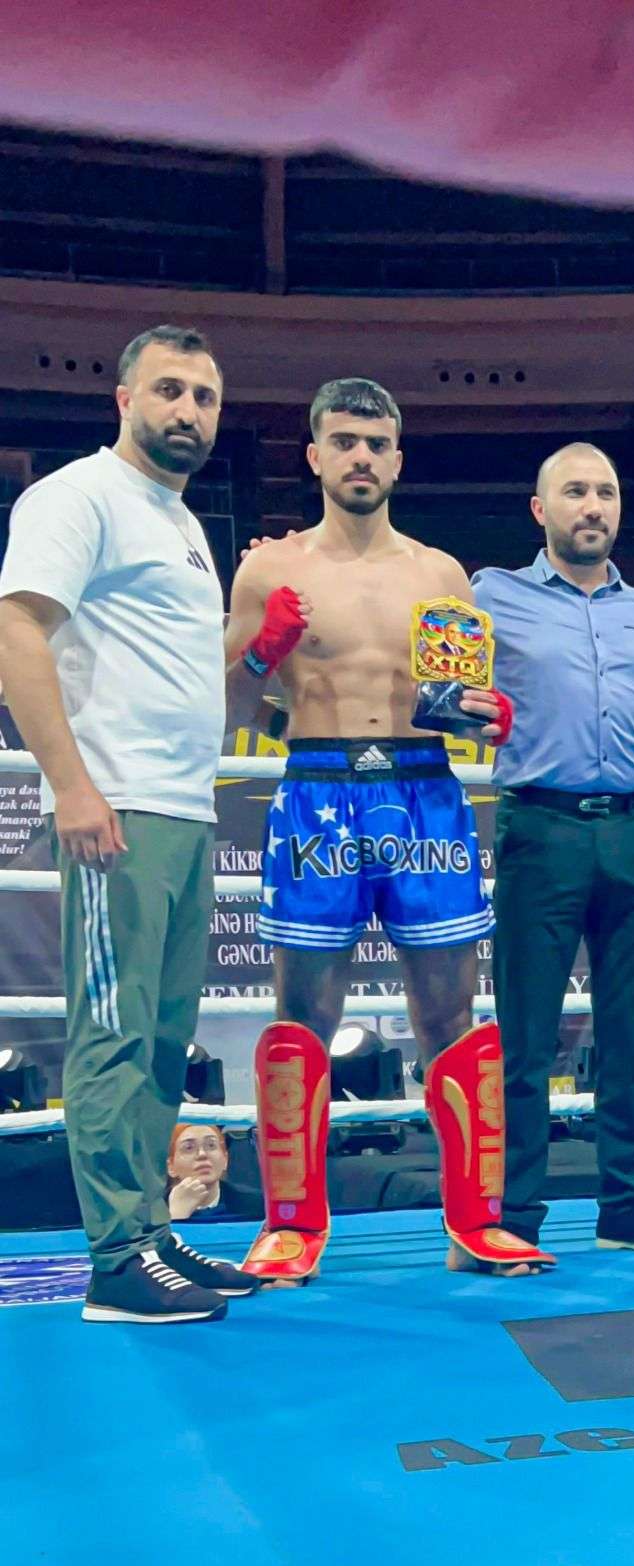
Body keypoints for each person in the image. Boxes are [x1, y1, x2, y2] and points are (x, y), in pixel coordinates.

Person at [225, 378, 552, 1280]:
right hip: (318, 786)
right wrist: (262, 651)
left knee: (450, 1011)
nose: (361, 457)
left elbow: (454, 702)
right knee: (304, 1013)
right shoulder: (268, 570)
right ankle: (290, 1225)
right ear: (315, 456)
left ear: (398, 459)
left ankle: (476, 1222)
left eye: (376, 443)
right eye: (344, 441)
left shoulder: (440, 574)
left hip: (423, 789)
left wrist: (486, 716)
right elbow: (230, 709)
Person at [0, 324, 258, 1323]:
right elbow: (16, 628)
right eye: (169, 390)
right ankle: (114, 1259)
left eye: (204, 396)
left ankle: (147, 1231)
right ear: (123, 399)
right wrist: (70, 785)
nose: (188, 410)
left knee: (160, 1039)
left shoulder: (182, 524)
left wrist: (256, 646)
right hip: (115, 806)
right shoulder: (78, 497)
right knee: (111, 1033)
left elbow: (178, 675)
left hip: (184, 809)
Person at [471, 442, 634, 1259]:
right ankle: (516, 1215)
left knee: (629, 1033)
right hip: (540, 827)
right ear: (540, 509)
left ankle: (627, 1209)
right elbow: (437, 684)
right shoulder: (489, 595)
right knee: (526, 1036)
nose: (593, 506)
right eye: (575, 491)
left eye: (605, 492)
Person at [167, 1123, 230, 1220]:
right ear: (171, 1166)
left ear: (225, 1159)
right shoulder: (149, 1213)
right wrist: (176, 1215)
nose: (202, 1154)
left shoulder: (252, 1206)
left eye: (211, 1145)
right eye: (189, 1148)